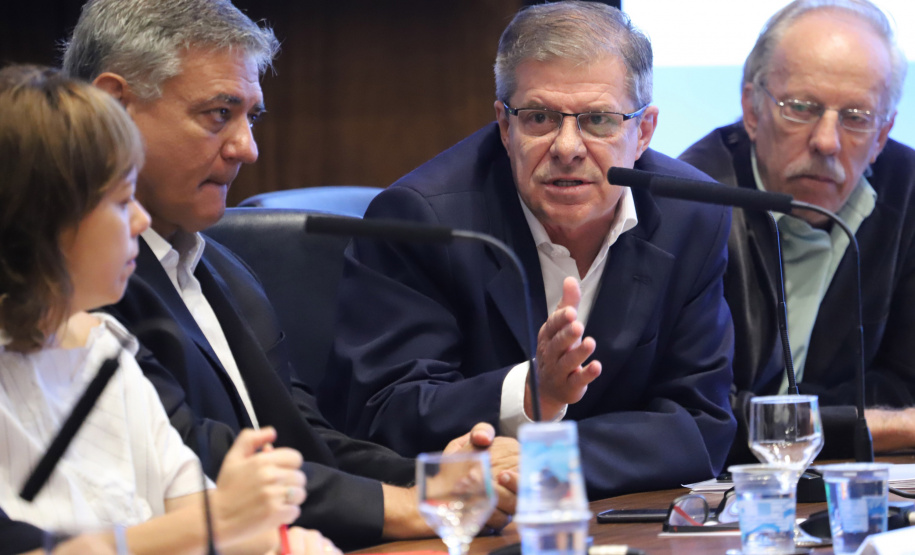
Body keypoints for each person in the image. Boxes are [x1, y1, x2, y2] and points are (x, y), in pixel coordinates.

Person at [62, 0, 517, 549]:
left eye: (250, 116)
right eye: (217, 114)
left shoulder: (222, 266)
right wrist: (416, 506)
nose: (247, 149)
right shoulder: (74, 285)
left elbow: (304, 439)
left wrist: (433, 480)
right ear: (115, 106)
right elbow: (192, 458)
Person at [322, 0, 736, 498]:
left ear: (642, 131)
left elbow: (701, 426)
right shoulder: (422, 219)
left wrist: (546, 462)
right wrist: (529, 392)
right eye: (539, 117)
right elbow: (381, 412)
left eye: (599, 120)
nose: (567, 147)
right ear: (504, 124)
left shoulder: (691, 216)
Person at [0, 64, 338, 555]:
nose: (139, 220)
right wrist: (219, 522)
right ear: (42, 222)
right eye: (120, 201)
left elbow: (195, 513)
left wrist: (268, 537)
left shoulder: (104, 345)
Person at [679, 0, 915, 454]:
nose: (826, 141)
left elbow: (906, 384)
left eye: (856, 118)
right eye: (801, 108)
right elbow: (703, 413)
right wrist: (876, 426)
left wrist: (795, 422)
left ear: (882, 134)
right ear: (751, 108)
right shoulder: (692, 198)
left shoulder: (908, 195)